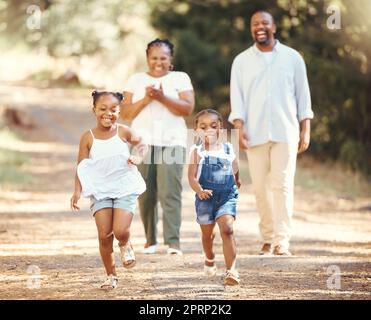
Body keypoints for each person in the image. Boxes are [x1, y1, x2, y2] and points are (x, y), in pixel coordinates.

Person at [229, 10, 314, 256]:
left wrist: (305, 129)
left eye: (265, 23)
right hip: (253, 133)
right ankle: (266, 237)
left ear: (274, 27)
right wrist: (239, 127)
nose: (260, 27)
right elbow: (238, 98)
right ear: (251, 29)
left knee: (283, 186)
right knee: (260, 189)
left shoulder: (292, 57)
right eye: (255, 23)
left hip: (286, 131)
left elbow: (303, 96)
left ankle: (281, 241)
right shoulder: (241, 61)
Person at [121, 39, 195, 255]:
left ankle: (173, 242)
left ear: (170, 59)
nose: (158, 62)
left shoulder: (180, 78)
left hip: (173, 142)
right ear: (147, 58)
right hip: (141, 142)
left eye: (163, 58)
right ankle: (150, 241)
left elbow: (187, 108)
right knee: (145, 192)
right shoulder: (135, 80)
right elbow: (125, 113)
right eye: (154, 57)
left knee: (169, 191)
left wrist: (162, 97)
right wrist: (146, 99)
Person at [70, 90, 147, 290]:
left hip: (124, 187)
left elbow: (142, 144)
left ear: (119, 111)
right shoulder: (88, 137)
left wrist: (138, 157)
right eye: (103, 109)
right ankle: (111, 276)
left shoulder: (123, 131)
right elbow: (81, 166)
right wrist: (77, 191)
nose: (108, 113)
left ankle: (125, 242)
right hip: (100, 189)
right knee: (104, 234)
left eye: (113, 109)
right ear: (94, 110)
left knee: (120, 230)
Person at [188, 109, 241, 286]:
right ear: (196, 131)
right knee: (207, 235)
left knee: (227, 228)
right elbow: (192, 177)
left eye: (213, 126)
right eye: (203, 127)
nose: (208, 130)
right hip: (205, 198)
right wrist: (199, 190)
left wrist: (238, 180)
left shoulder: (228, 148)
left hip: (226, 196)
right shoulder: (197, 151)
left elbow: (235, 167)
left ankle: (231, 270)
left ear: (221, 127)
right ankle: (209, 256)